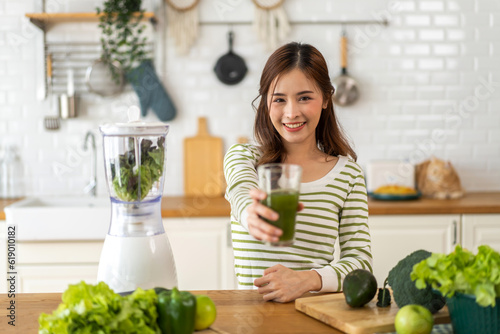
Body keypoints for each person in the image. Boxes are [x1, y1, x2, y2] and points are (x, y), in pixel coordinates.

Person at [223, 42, 372, 303]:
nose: (291, 113)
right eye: (279, 99)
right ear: (265, 103)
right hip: (248, 319)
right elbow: (239, 188)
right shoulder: (244, 158)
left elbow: (361, 265)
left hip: (314, 314)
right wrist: (251, 214)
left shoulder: (348, 175)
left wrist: (308, 279)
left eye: (304, 97)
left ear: (326, 98)